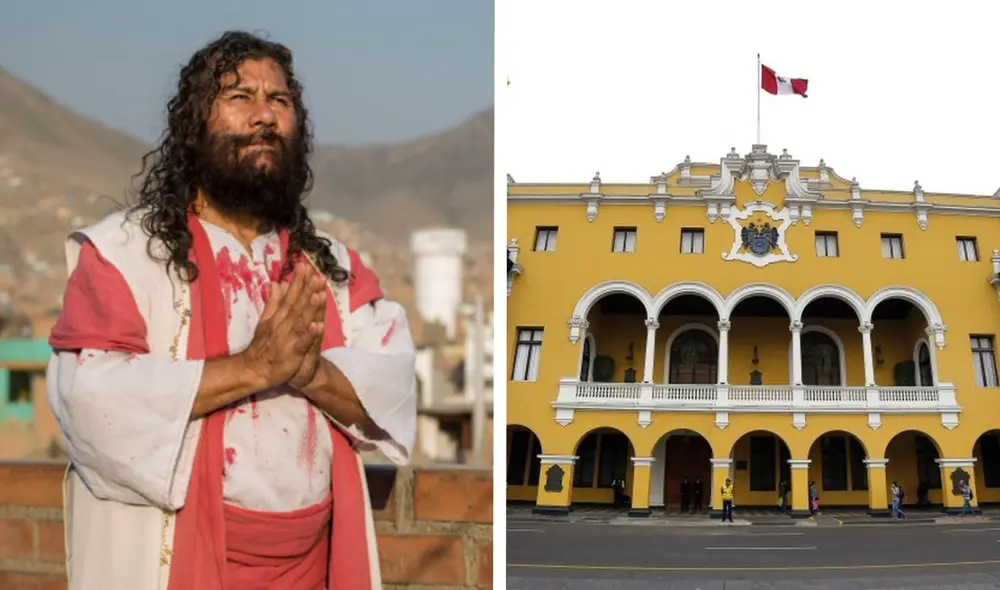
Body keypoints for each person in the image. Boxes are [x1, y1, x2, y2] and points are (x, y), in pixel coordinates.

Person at [46, 31, 416, 590]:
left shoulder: (331, 265)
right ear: (195, 127)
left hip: (312, 566)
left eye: (280, 101)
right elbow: (88, 398)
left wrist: (309, 371)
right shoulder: (123, 255)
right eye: (240, 97)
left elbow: (392, 380)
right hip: (181, 562)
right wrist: (255, 367)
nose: (264, 116)